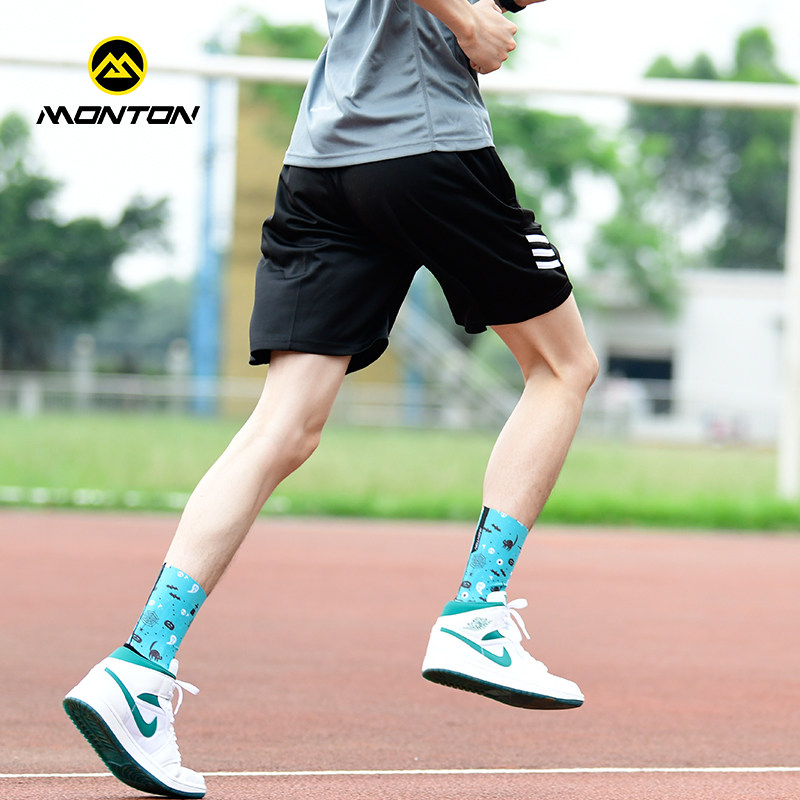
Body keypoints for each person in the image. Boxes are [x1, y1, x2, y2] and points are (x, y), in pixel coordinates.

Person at [63, 0, 598, 797]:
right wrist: (466, 22)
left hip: (324, 159)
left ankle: (140, 665)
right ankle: (478, 612)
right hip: (423, 140)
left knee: (281, 428)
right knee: (563, 366)